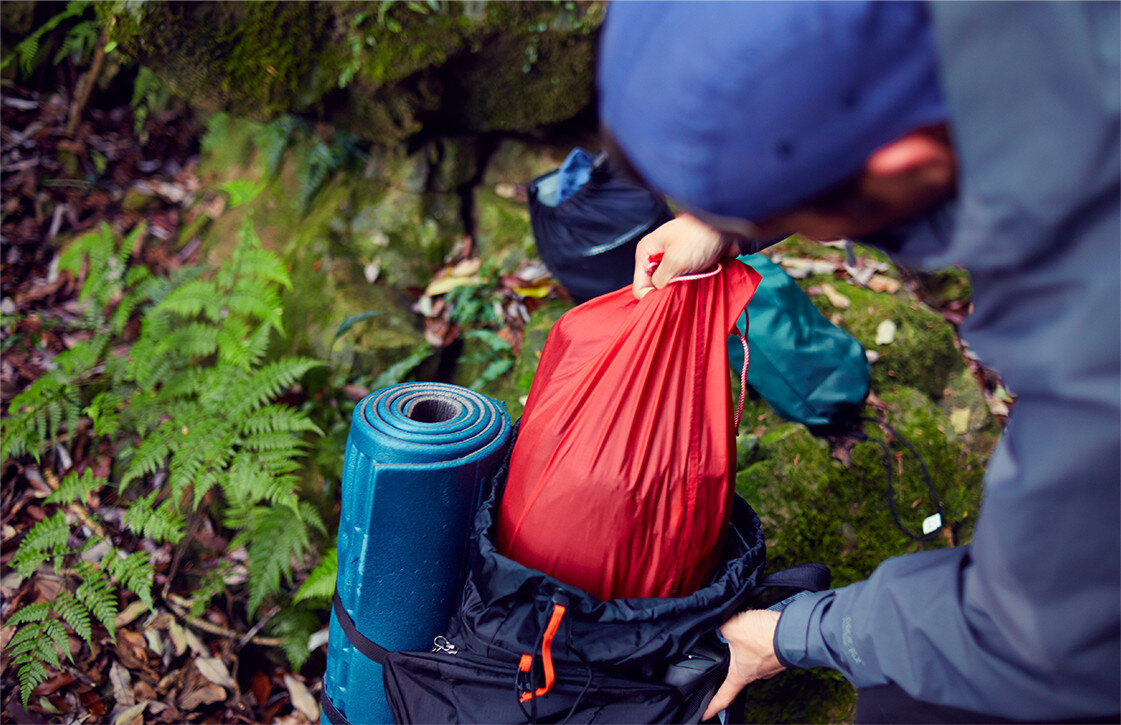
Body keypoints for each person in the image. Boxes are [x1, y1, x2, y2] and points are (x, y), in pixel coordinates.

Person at [598, 2, 1120, 723]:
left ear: (908, 163)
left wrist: (789, 633)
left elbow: (1035, 635)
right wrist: (728, 214)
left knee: (919, 700)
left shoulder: (1094, 339)